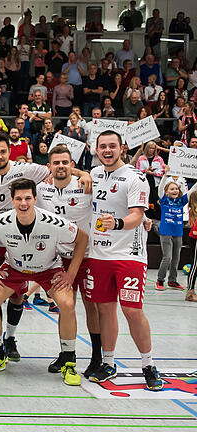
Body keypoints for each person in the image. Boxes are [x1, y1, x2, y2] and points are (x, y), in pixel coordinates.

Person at [0, 178, 87, 386]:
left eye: (28, 198)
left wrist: (70, 274)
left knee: (67, 304)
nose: (23, 203)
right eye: (19, 198)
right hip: (14, 268)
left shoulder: (53, 222)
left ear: (35, 199)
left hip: (49, 269)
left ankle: (68, 361)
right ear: (12, 200)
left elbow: (82, 238)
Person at [87, 130, 163, 391]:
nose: (107, 150)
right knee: (105, 310)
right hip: (98, 254)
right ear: (96, 149)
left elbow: (137, 217)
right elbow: (78, 178)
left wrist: (116, 223)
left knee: (132, 310)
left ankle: (148, 364)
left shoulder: (136, 177)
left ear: (122, 148)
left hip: (128, 255)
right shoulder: (94, 174)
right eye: (102, 146)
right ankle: (108, 362)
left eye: (112, 146)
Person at [35, 146, 100, 377]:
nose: (61, 166)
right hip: (59, 257)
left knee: (92, 306)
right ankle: (66, 354)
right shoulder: (41, 188)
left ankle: (97, 357)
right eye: (56, 162)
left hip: (87, 255)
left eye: (65, 162)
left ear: (72, 165)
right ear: (49, 166)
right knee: (65, 305)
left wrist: (85, 174)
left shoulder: (85, 184)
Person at [156, 180, 188, 291]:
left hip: (178, 233)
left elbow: (192, 190)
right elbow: (160, 189)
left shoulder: (181, 201)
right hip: (166, 232)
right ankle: (160, 280)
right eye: (172, 189)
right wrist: (165, 176)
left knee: (176, 258)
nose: (175, 190)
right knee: (167, 257)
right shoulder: (164, 201)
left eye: (176, 189)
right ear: (167, 192)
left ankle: (172, 281)